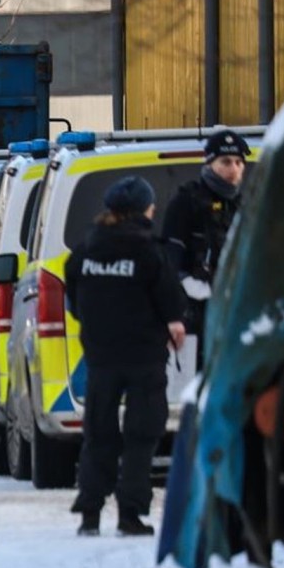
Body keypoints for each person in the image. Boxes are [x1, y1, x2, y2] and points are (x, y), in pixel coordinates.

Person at [64, 175, 187, 537]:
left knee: (98, 434)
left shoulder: (85, 249)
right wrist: (173, 326)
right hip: (145, 358)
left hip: (101, 355)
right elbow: (172, 304)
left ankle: (89, 513)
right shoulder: (148, 249)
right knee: (141, 435)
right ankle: (130, 514)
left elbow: (74, 301)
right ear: (144, 209)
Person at [160, 128, 249, 363]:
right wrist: (189, 286)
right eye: (226, 162)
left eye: (239, 162)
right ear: (210, 164)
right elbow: (170, 257)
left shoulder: (242, 204)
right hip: (192, 311)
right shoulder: (187, 201)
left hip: (232, 307)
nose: (234, 169)